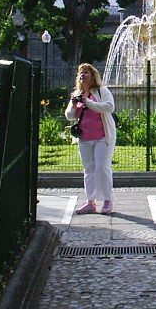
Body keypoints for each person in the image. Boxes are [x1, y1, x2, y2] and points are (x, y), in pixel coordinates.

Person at [65, 63, 117, 215]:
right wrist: (74, 105)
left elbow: (109, 107)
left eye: (86, 72)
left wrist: (88, 103)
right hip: (85, 138)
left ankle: (107, 200)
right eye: (80, 73)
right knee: (89, 169)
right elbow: (69, 116)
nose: (82, 75)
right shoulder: (77, 94)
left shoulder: (101, 91)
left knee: (102, 167)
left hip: (102, 137)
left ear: (93, 76)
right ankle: (90, 202)